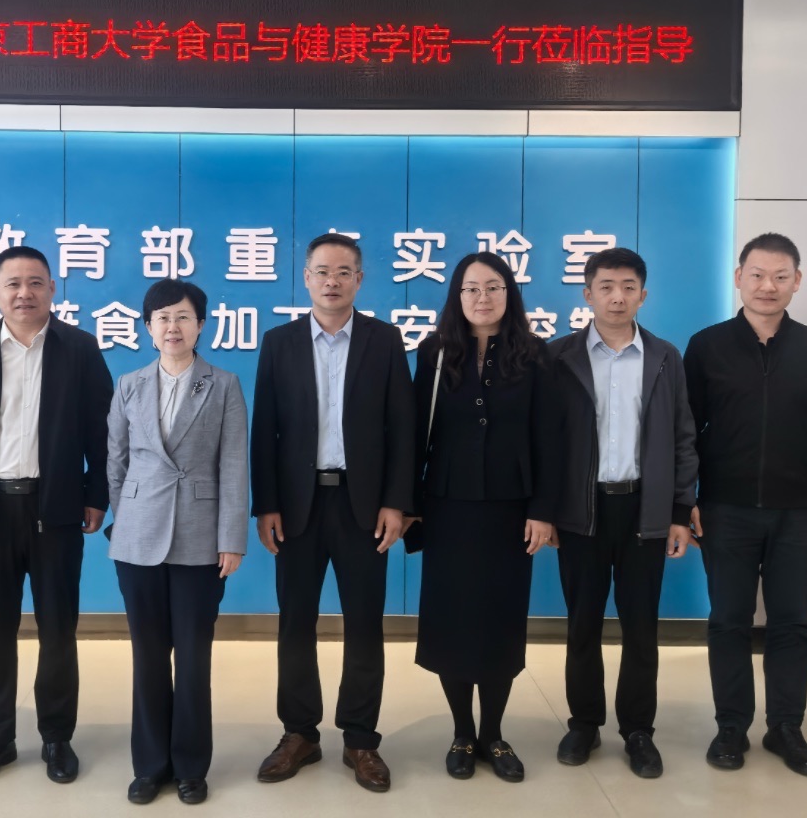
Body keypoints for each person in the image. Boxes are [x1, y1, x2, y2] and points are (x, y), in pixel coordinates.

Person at [0, 245, 114, 787]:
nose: (24, 293)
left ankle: (57, 737)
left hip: (55, 508)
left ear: (52, 289)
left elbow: (103, 429)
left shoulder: (79, 348)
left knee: (59, 629)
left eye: (36, 282)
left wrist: (96, 493)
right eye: (12, 284)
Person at [683, 232, 807, 778]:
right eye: (757, 275)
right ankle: (731, 726)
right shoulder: (707, 346)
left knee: (791, 624)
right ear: (739, 277)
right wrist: (686, 500)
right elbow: (685, 433)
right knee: (728, 622)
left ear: (797, 282)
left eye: (781, 276)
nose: (767, 286)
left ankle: (786, 727)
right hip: (725, 510)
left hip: (799, 514)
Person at [250, 232, 413, 793]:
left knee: (364, 623)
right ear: (306, 278)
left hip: (363, 505)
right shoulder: (280, 342)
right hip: (297, 506)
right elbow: (265, 431)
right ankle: (299, 733)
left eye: (344, 272)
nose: (332, 281)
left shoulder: (384, 340)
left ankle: (361, 738)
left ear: (359, 280)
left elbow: (402, 427)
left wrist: (396, 502)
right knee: (295, 622)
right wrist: (266, 505)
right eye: (322, 271)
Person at [545, 247, 698, 779]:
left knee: (640, 627)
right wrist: (548, 510)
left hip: (644, 510)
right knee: (582, 623)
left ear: (643, 295)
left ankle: (638, 730)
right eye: (606, 286)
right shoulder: (558, 357)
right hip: (580, 511)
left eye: (628, 287)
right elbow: (545, 441)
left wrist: (679, 510)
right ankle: (584, 723)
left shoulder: (664, 357)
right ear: (587, 294)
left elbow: (683, 437)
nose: (617, 297)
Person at [412, 252, 556, 783]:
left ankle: (493, 734)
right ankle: (461, 733)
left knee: (499, 621)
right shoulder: (434, 352)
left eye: (493, 287)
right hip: (447, 507)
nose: (482, 298)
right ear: (456, 296)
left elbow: (549, 437)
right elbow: (414, 432)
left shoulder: (534, 354)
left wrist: (543, 509)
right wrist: (408, 505)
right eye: (471, 288)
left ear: (509, 293)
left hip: (510, 509)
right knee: (452, 621)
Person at [106, 279, 248, 806]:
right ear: (148, 328)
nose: (173, 327)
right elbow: (116, 460)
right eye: (162, 318)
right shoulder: (129, 384)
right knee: (147, 657)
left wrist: (231, 538)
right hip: (138, 537)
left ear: (200, 325)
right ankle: (149, 766)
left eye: (183, 317)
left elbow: (234, 465)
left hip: (199, 536)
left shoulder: (224, 384)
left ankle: (190, 766)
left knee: (192, 659)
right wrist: (127, 516)